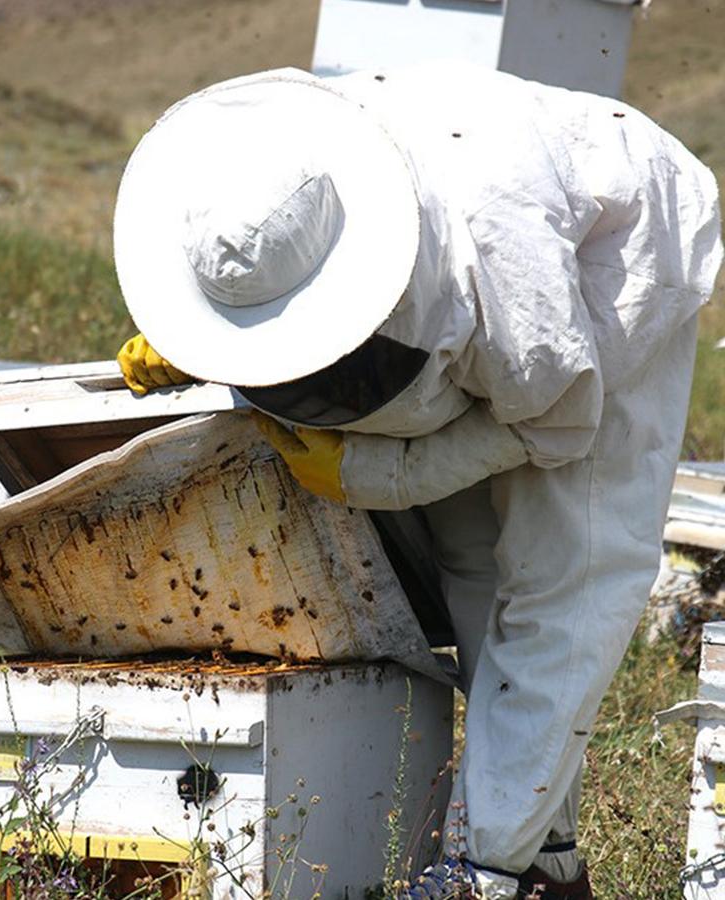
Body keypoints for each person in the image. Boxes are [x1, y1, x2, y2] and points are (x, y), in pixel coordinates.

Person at [112, 65, 721, 899]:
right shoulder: (264, 180)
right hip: (494, 262)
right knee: (471, 556)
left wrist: (375, 471)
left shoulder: (512, 286)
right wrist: (213, 333)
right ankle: (546, 857)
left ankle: (488, 873)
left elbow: (554, 419)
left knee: (564, 575)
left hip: (609, 263)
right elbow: (268, 261)